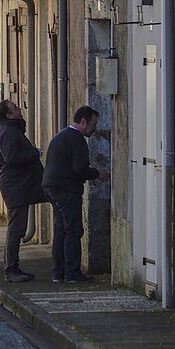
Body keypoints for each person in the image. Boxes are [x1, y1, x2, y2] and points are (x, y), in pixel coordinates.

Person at [43, 106, 110, 283]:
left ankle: (58, 272)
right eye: (93, 124)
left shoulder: (61, 136)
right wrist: (97, 174)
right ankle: (72, 272)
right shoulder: (77, 139)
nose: (94, 129)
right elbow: (80, 168)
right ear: (83, 122)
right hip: (66, 190)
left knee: (61, 230)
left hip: (53, 188)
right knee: (73, 230)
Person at [0, 100, 47, 283]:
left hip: (21, 184)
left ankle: (13, 268)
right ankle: (11, 269)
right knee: (16, 228)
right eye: (15, 109)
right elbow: (12, 158)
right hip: (16, 186)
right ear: (9, 115)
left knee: (17, 227)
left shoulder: (10, 129)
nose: (19, 110)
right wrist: (35, 153)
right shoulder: (7, 132)